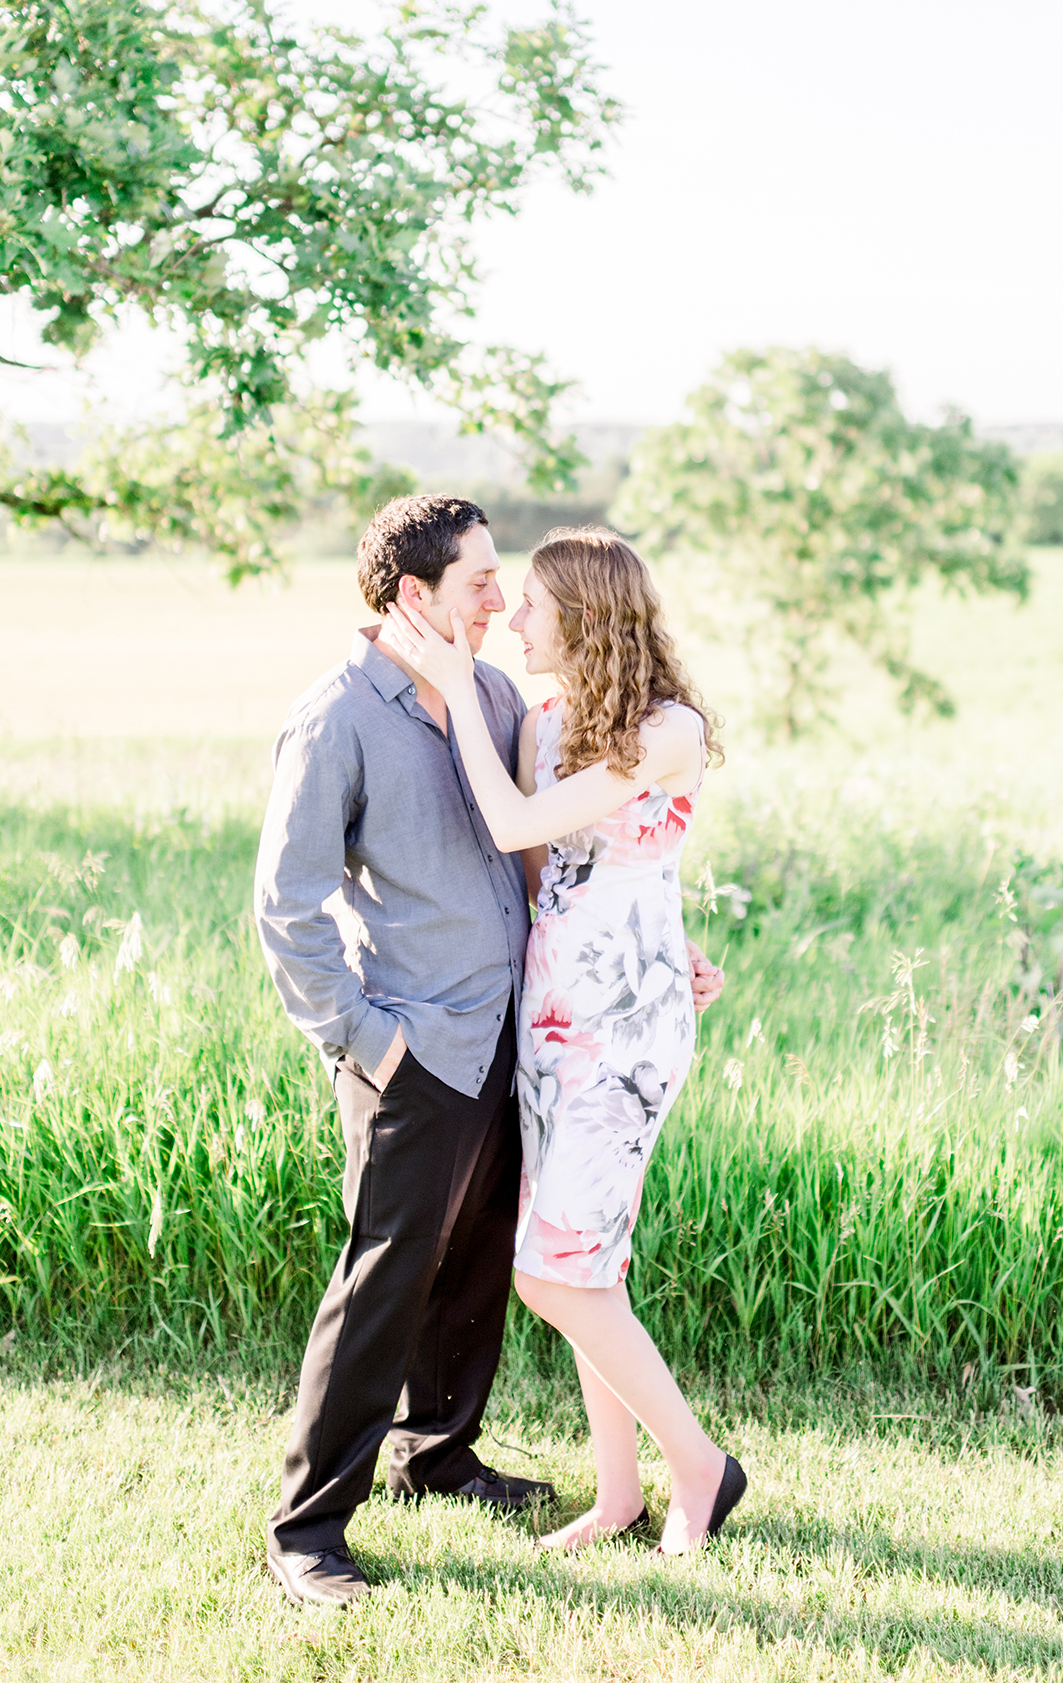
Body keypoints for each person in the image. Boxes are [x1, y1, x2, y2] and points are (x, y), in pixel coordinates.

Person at [254, 496, 724, 1607]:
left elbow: (558, 863)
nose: (502, 601)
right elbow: (287, 906)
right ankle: (310, 1526)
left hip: (529, 1030)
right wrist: (368, 1038)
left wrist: (663, 942)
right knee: (385, 1277)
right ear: (415, 596)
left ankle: (439, 1453)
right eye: (479, 582)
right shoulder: (338, 717)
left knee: (474, 1269)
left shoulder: (502, 695)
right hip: (415, 1044)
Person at [382, 525, 747, 1556]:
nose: (513, 619)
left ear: (584, 615)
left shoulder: (665, 729)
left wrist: (455, 693)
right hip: (554, 1012)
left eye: (533, 604)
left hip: (630, 1025)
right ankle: (620, 1495)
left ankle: (701, 1469)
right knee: (592, 1265)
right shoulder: (542, 726)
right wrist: (677, 943)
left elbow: (520, 829)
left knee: (552, 1275)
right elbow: (550, 877)